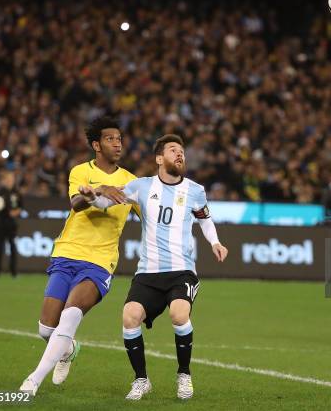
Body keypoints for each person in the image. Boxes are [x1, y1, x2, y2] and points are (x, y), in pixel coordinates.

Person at [79, 134, 228, 401]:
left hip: (181, 270)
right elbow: (107, 202)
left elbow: (205, 219)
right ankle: (141, 380)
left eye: (181, 151)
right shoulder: (141, 186)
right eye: (173, 150)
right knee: (129, 316)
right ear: (160, 158)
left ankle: (184, 374)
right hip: (148, 272)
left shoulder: (195, 190)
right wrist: (92, 196)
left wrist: (215, 242)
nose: (179, 154)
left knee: (179, 315)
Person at [19, 116, 138, 395]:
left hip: (100, 261)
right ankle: (68, 349)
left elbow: (153, 215)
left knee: (71, 315)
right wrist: (96, 191)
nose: (117, 143)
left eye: (119, 139)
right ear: (96, 145)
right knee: (46, 331)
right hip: (67, 252)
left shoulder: (132, 183)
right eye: (110, 139)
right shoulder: (80, 171)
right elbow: (76, 204)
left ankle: (33, 381)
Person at [0, 170, 23, 277]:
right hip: (2, 222)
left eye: (11, 180)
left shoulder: (17, 193)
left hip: (12, 224)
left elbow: (20, 207)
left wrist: (16, 212)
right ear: (4, 181)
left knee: (12, 247)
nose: (10, 182)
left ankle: (14, 272)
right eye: (8, 180)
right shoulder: (0, 192)